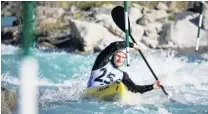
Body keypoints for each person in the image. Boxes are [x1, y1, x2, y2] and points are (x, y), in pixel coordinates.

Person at [87, 41, 161, 94]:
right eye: (118, 56)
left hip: (110, 91)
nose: (120, 59)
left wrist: (152, 86)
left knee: (120, 85)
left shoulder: (123, 75)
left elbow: (134, 89)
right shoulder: (101, 62)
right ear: (113, 56)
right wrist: (132, 45)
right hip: (92, 91)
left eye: (123, 57)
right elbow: (114, 46)